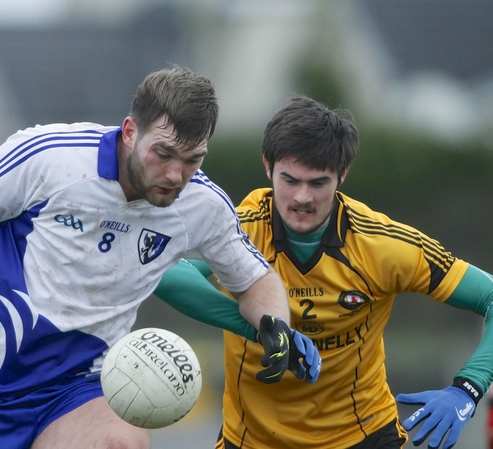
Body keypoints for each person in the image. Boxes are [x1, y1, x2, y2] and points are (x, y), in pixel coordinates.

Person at [0, 66, 321, 449]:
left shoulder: (202, 204)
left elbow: (254, 279)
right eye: (164, 154)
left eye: (193, 160)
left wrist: (275, 324)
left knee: (121, 444)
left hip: (79, 385)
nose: (176, 175)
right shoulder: (48, 156)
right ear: (131, 130)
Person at [155, 94, 493, 449]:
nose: (302, 197)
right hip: (251, 441)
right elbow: (163, 271)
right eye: (290, 180)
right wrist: (263, 329)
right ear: (267, 166)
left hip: (363, 437)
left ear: (342, 174)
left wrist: (468, 387)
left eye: (318, 183)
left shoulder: (382, 246)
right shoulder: (240, 226)